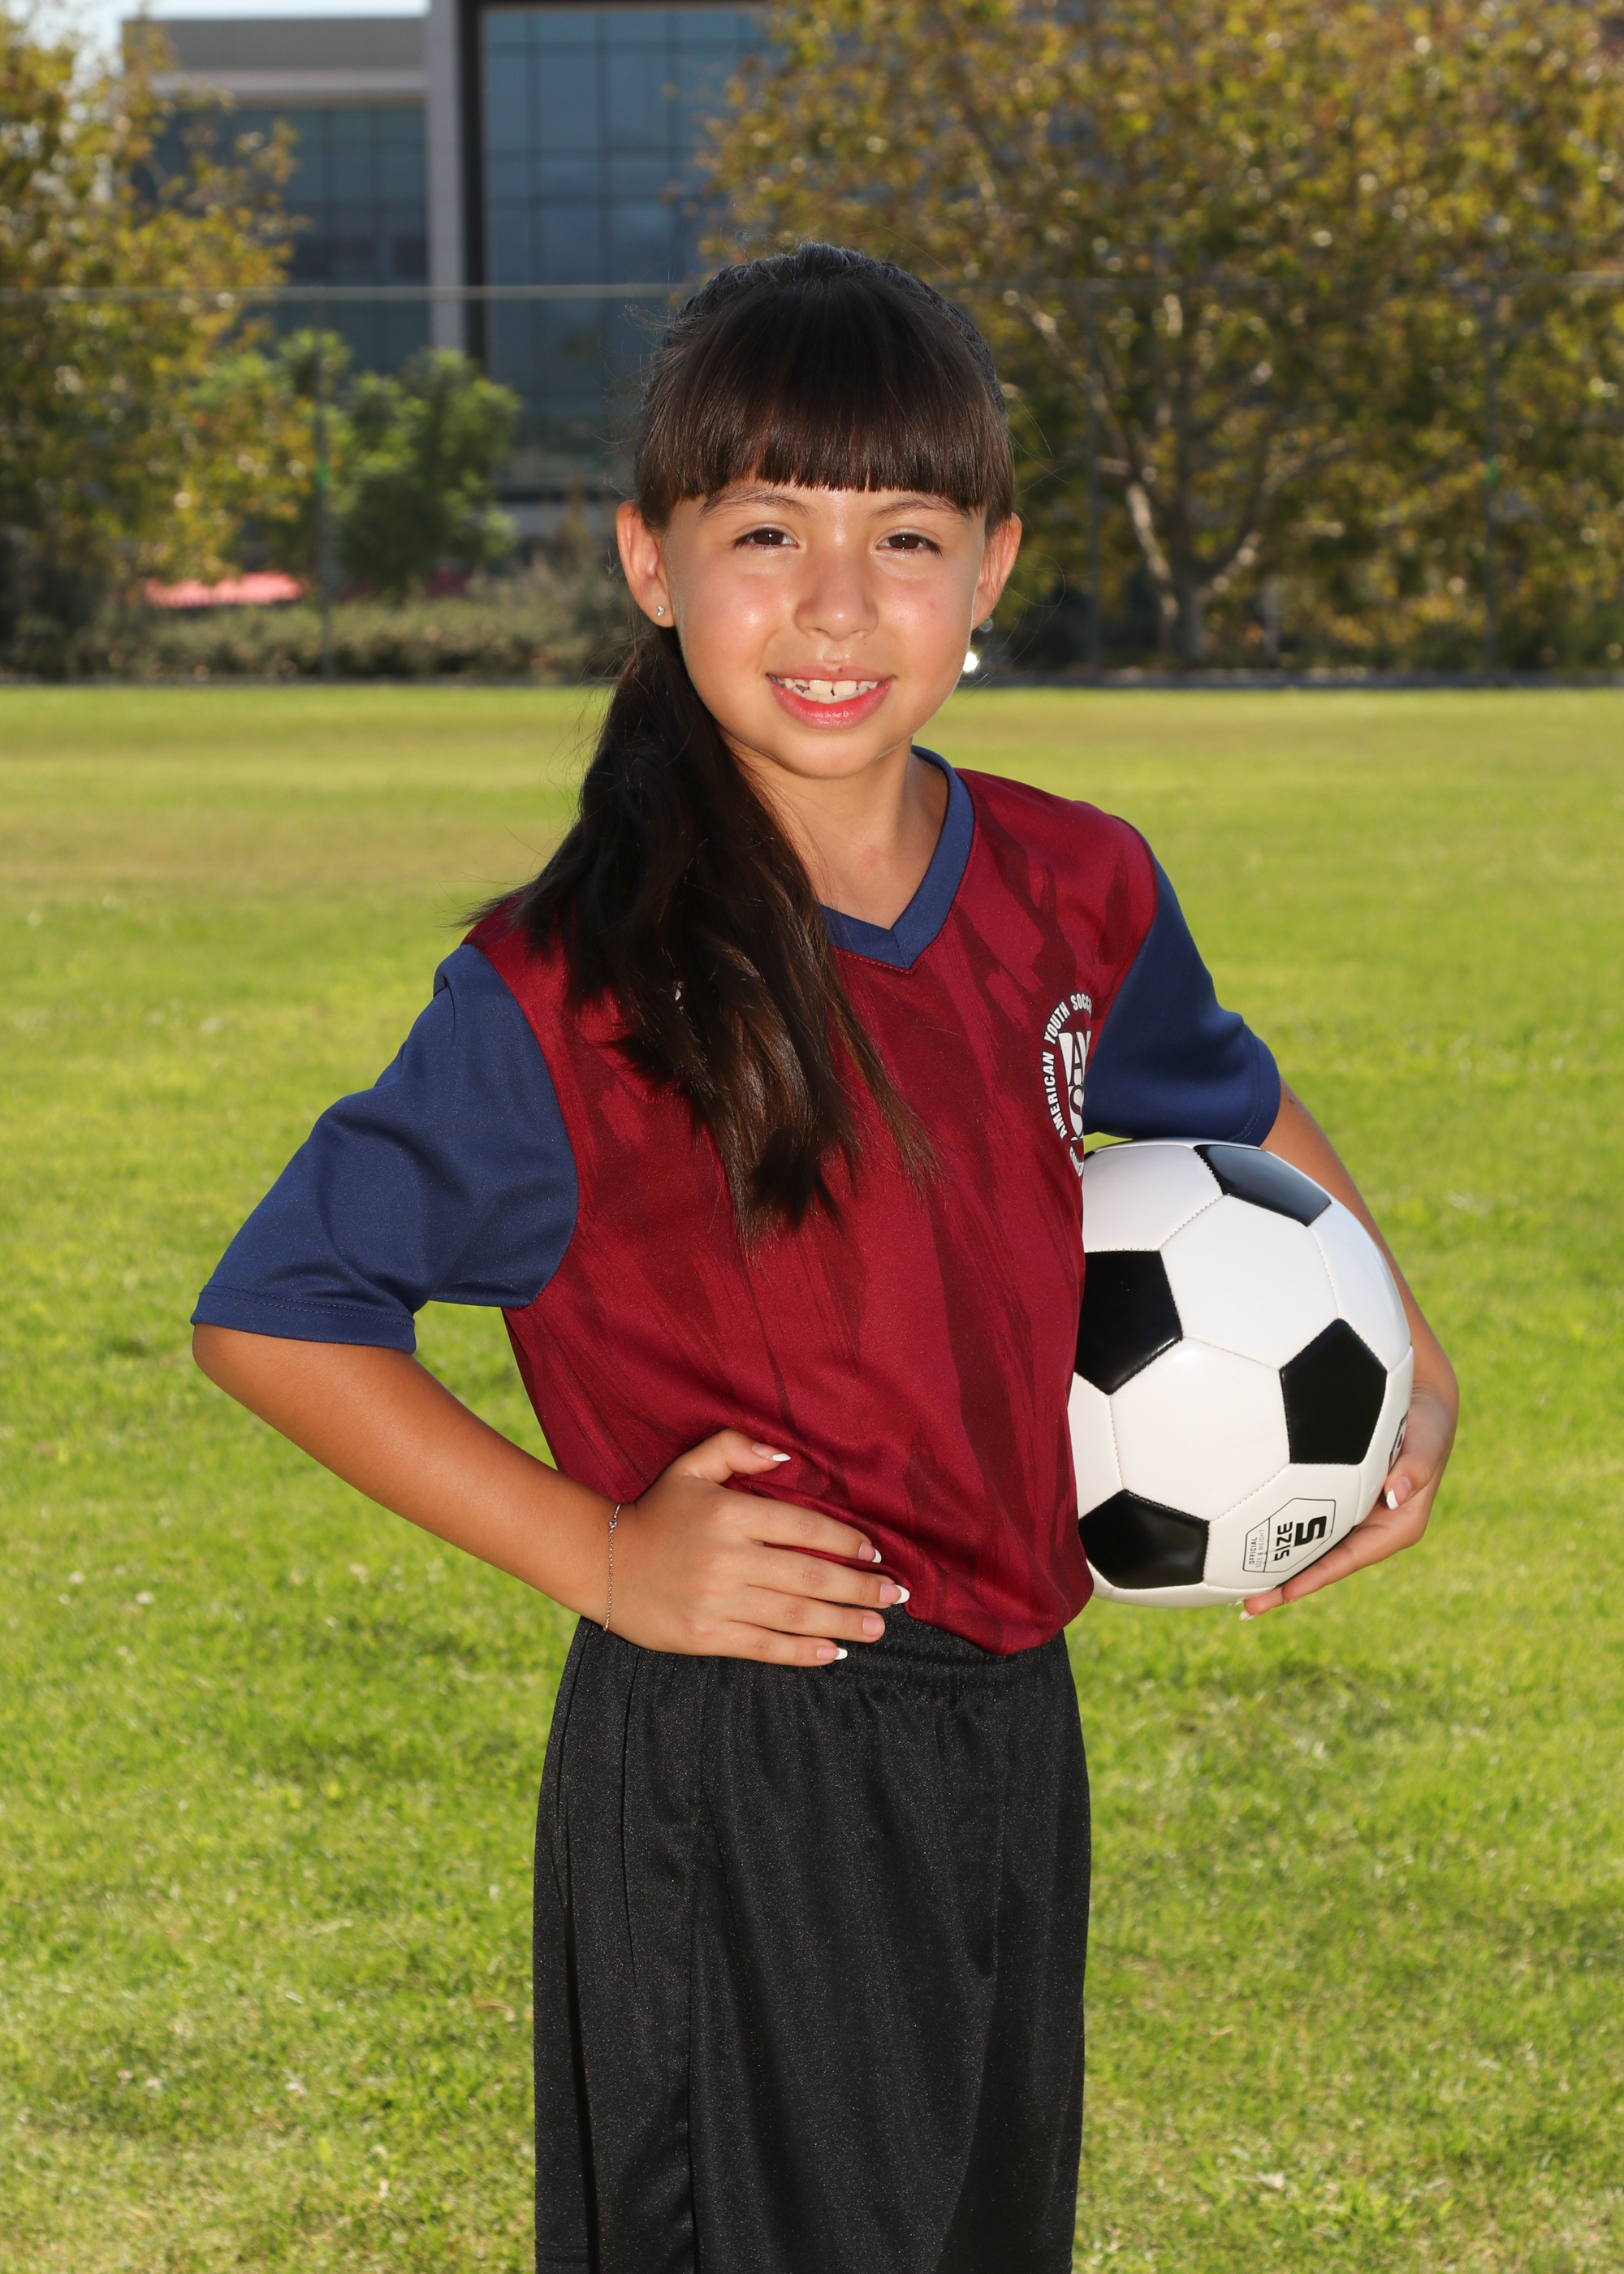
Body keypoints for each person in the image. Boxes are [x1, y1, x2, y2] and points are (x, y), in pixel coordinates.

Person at [192, 244, 1458, 2274]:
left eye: (907, 537)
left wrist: (1401, 1355)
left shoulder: (1073, 882)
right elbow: (277, 1312)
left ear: (993, 565)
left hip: (1009, 1729)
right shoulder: (567, 990)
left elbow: (1225, 1100)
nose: (839, 603)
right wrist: (605, 1556)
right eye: (768, 530)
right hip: (744, 1754)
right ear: (651, 559)